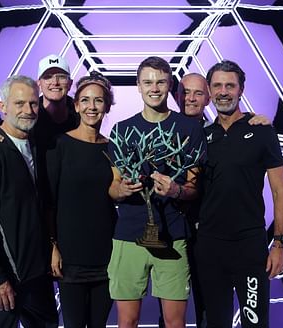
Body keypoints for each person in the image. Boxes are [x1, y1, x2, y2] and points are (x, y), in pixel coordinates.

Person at [107, 56, 206, 328]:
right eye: (148, 82)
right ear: (138, 86)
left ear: (169, 85)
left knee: (175, 322)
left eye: (161, 81)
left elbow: (193, 189)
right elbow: (113, 189)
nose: (154, 87)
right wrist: (124, 190)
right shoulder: (121, 130)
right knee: (127, 321)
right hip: (128, 235)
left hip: (173, 235)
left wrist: (176, 190)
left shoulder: (190, 129)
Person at [195, 60, 283, 327]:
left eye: (230, 85)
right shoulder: (201, 135)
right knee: (216, 322)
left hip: (249, 246)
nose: (223, 91)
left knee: (255, 323)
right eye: (217, 86)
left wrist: (279, 245)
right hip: (210, 247)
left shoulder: (262, 131)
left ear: (241, 90)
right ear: (210, 92)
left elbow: (280, 191)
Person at [0, 75, 58, 327]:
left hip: (37, 275)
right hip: (6, 277)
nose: (28, 110)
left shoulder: (36, 144)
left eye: (33, 104)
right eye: (19, 104)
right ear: (2, 107)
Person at [46, 71, 116, 327]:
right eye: (85, 100)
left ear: (107, 106)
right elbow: (48, 201)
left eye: (98, 101)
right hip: (70, 257)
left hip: (106, 256)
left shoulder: (112, 148)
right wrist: (53, 245)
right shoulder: (59, 146)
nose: (91, 107)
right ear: (75, 105)